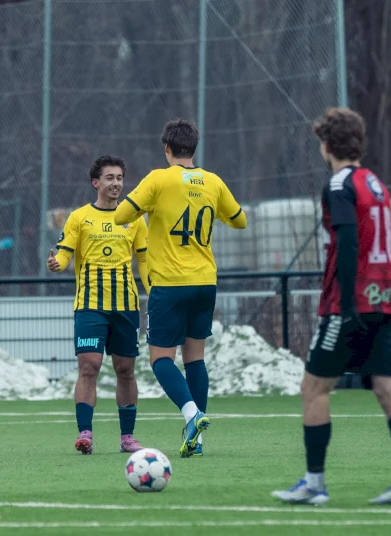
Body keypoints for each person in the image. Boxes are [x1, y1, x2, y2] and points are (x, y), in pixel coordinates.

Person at [271, 107, 391, 506]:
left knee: (314, 387)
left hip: (348, 303)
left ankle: (314, 483)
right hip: (385, 299)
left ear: (326, 145)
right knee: (389, 389)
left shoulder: (339, 185)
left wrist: (348, 303)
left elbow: (350, 241)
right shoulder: (376, 183)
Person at [115, 118, 247, 458]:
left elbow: (121, 217)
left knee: (160, 359)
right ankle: (197, 440)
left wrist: (147, 207)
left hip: (170, 284)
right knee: (195, 359)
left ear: (167, 149)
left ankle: (192, 415)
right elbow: (240, 219)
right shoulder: (213, 182)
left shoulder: (159, 179)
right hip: (205, 281)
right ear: (194, 148)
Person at [47, 155, 150, 455]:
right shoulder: (79, 217)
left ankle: (127, 437)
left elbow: (143, 260)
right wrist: (57, 263)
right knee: (89, 367)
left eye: (119, 178)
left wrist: (153, 290)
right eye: (110, 178)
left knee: (126, 370)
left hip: (125, 306)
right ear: (96, 182)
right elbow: (65, 253)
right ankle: (85, 433)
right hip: (90, 306)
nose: (116, 183)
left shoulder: (134, 218)